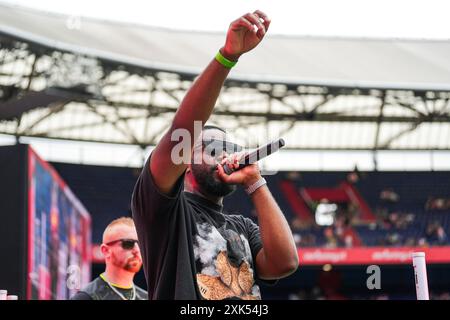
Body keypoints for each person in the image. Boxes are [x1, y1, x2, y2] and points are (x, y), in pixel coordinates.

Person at [131, 10, 298, 300]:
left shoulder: (242, 226)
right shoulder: (166, 211)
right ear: (184, 165)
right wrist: (227, 57)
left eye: (229, 149)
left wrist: (255, 182)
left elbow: (284, 263)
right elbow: (183, 129)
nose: (224, 156)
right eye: (211, 149)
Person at [70, 217, 147, 300]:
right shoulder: (86, 297)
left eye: (141, 244)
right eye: (128, 243)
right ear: (106, 251)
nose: (137, 250)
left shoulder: (147, 297)